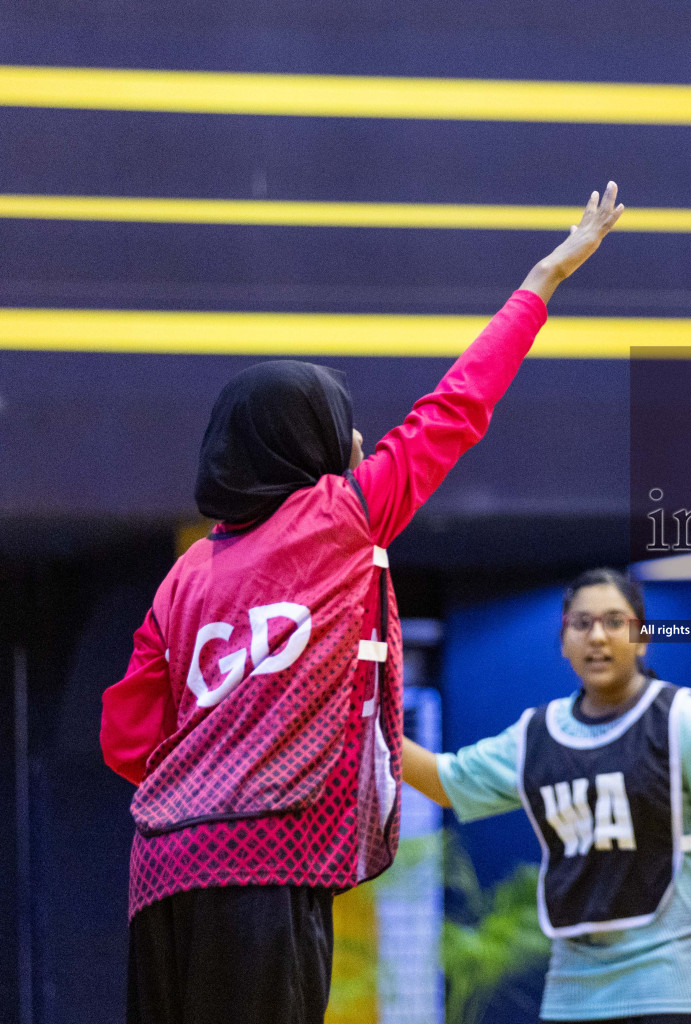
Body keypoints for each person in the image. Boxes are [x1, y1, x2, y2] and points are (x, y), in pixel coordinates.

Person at [99, 182, 625, 1024]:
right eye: (340, 423)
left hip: (158, 871)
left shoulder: (184, 573)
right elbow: (458, 406)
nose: (357, 439)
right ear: (301, 443)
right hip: (261, 868)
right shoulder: (341, 517)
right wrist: (545, 278)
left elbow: (126, 739)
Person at [402, 568, 691, 1024]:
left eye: (614, 621)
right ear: (564, 640)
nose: (597, 636)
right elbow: (443, 782)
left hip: (675, 980)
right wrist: (361, 716)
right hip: (576, 987)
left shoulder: (683, 720)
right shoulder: (536, 736)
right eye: (582, 624)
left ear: (642, 637)